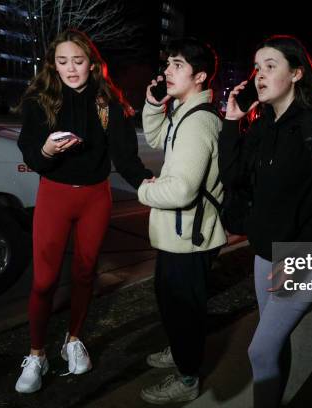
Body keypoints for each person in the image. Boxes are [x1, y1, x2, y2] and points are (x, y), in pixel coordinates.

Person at [15, 29, 152, 393]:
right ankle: (37, 354)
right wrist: (46, 149)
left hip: (95, 197)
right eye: (62, 62)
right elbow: (30, 153)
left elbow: (126, 159)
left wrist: (150, 184)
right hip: (54, 196)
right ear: (52, 65)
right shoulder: (39, 99)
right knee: (44, 281)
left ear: (92, 64)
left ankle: (73, 340)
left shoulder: (108, 103)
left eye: (78, 61)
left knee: (85, 273)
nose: (71, 69)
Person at [220, 35, 312, 408]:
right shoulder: (263, 125)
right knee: (272, 346)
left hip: (305, 254)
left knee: (260, 349)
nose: (259, 75)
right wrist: (232, 122)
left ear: (296, 73)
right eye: (257, 67)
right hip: (266, 250)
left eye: (270, 66)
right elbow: (232, 178)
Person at [138, 37, 226, 404]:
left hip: (190, 236)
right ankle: (179, 350)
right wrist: (153, 106)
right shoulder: (184, 113)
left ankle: (188, 378)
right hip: (180, 234)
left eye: (177, 65)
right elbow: (157, 138)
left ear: (200, 76)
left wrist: (143, 191)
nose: (167, 71)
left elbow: (181, 192)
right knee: (169, 298)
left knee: (185, 310)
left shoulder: (197, 123)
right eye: (168, 64)